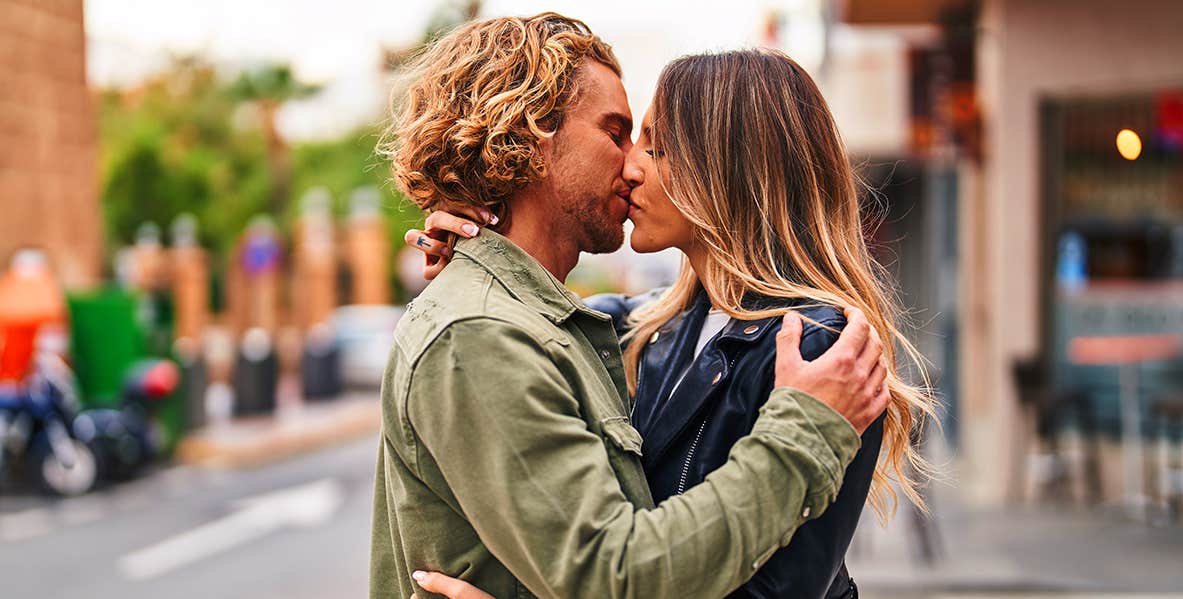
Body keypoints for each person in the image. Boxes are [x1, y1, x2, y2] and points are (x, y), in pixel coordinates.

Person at [371, 13, 892, 599]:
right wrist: (478, 263)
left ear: (726, 168)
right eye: (619, 134)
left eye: (656, 145)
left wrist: (485, 273)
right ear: (533, 136)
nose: (632, 165)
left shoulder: (816, 349)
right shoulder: (623, 330)